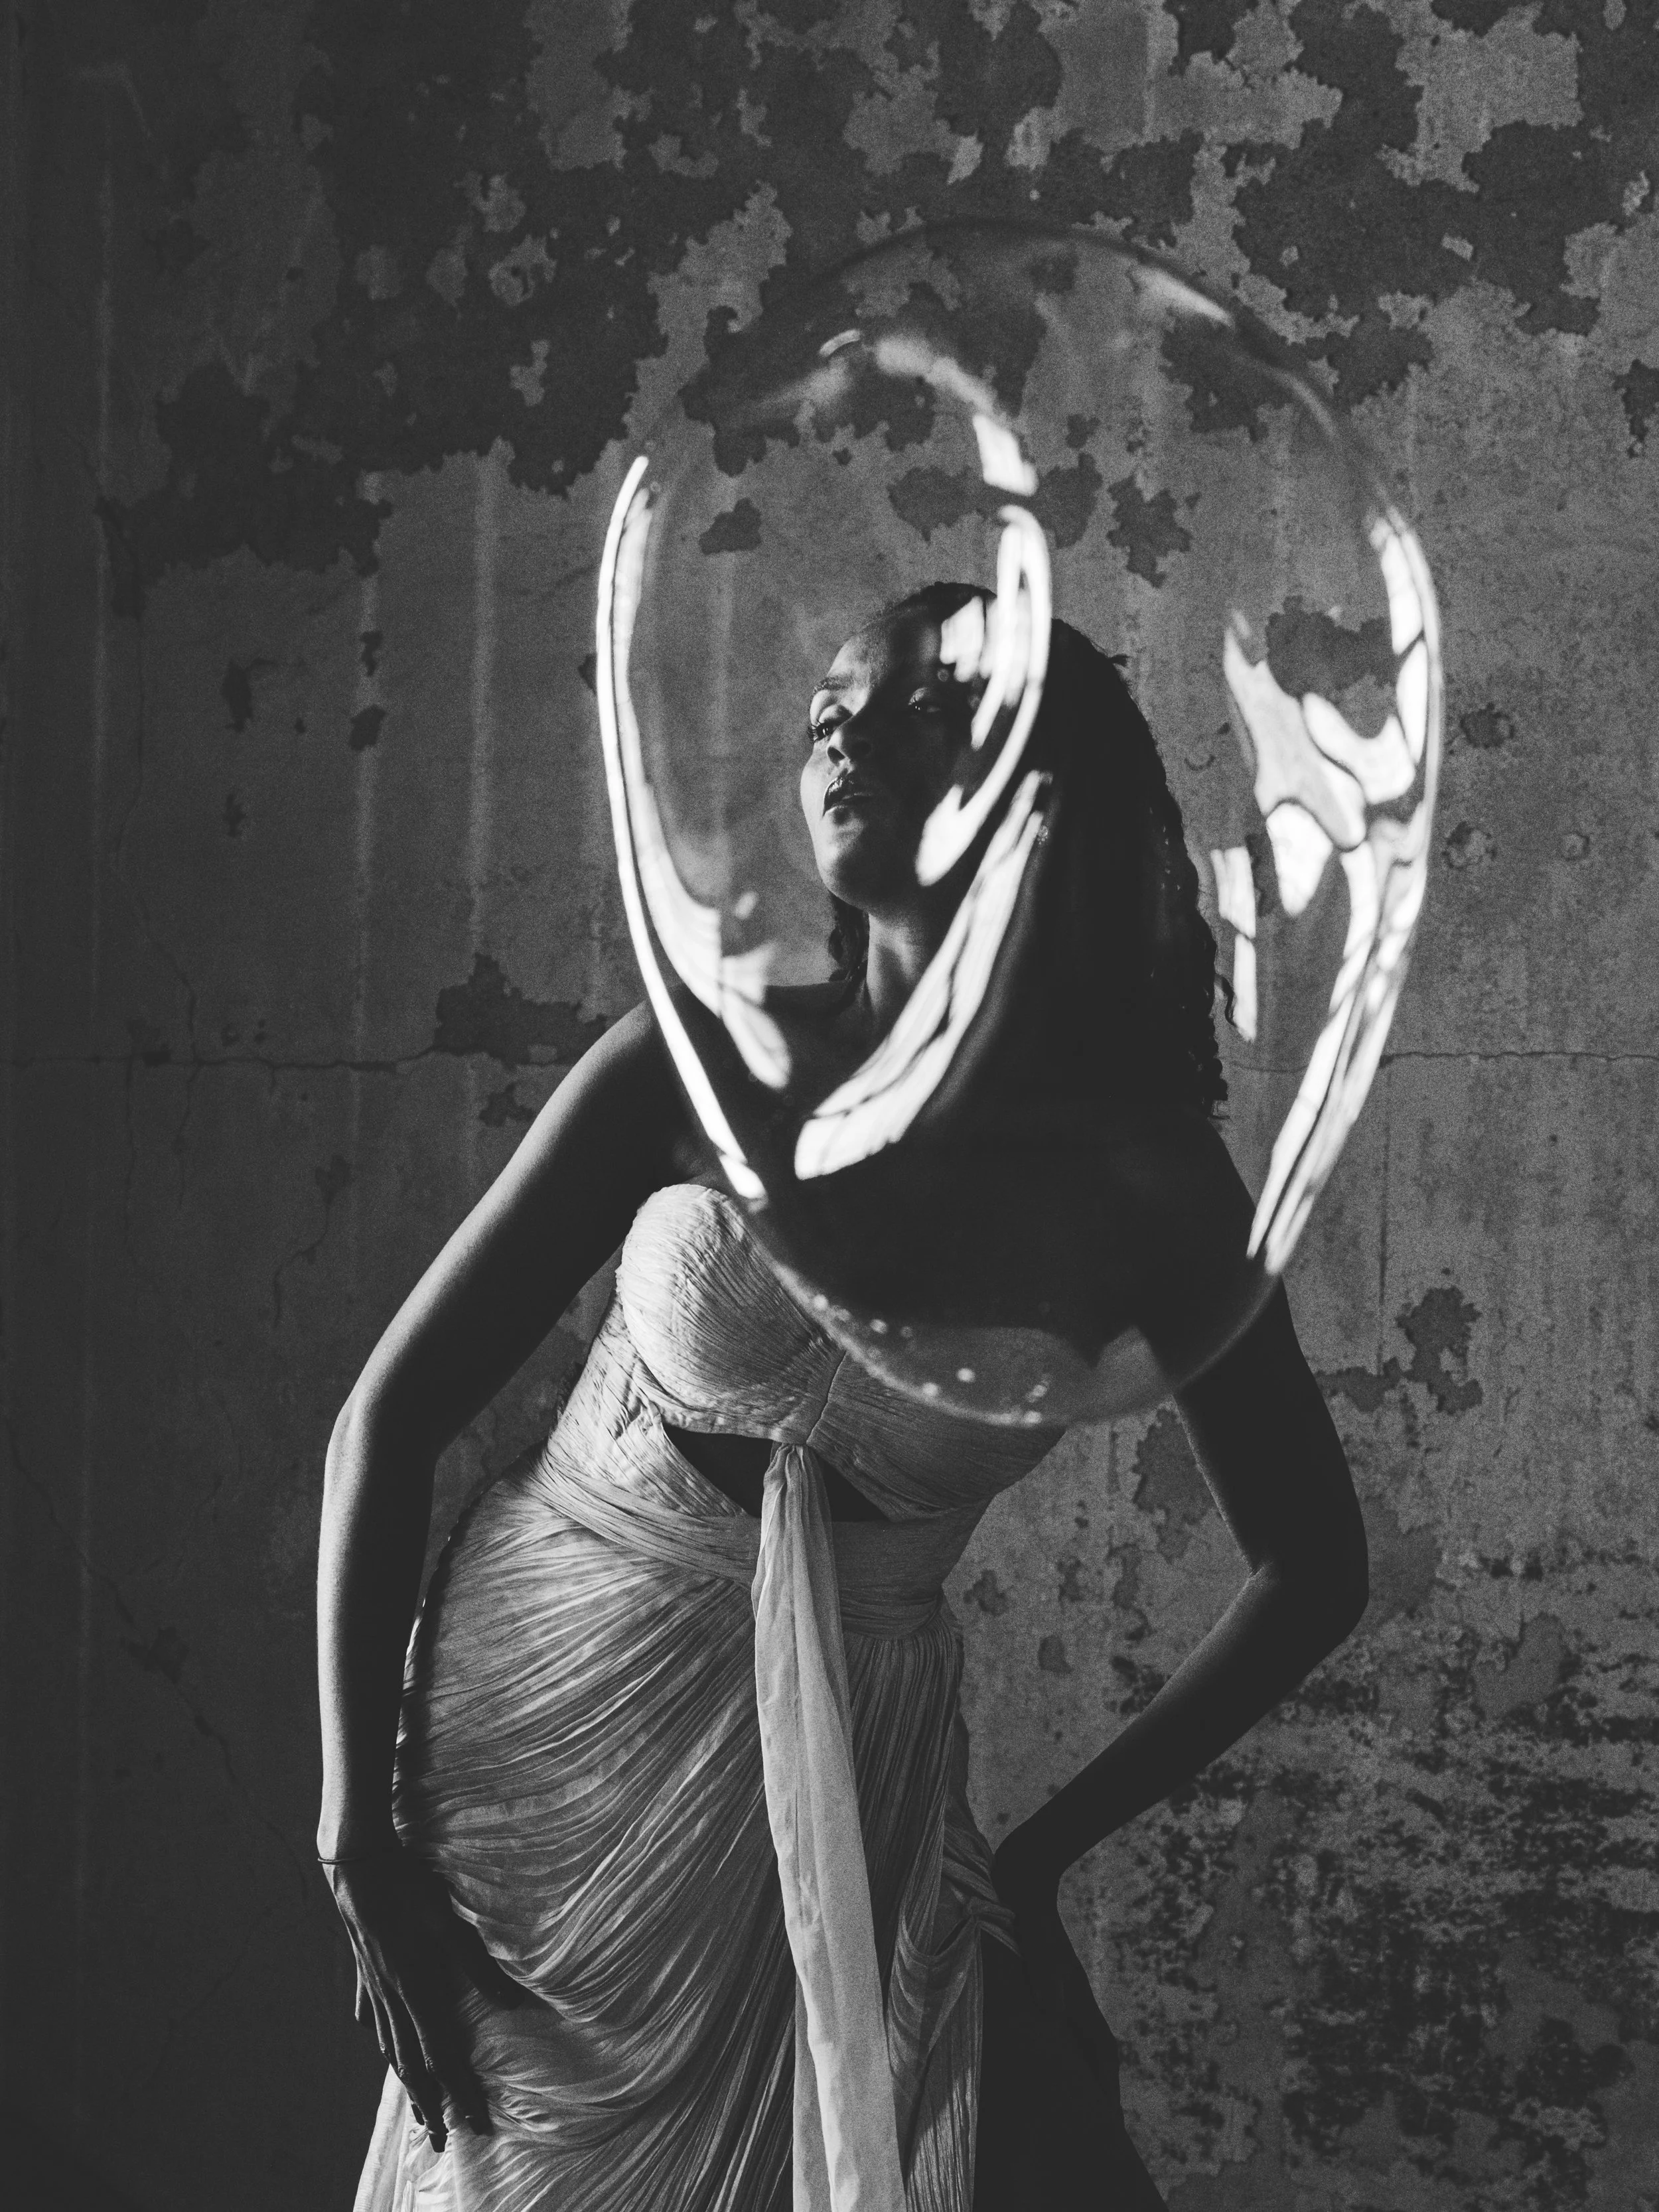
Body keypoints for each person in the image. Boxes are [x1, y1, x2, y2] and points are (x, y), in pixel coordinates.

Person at [317, 586, 1368, 2211]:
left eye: (917, 708)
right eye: (826, 711)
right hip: (550, 1718)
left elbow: (1314, 1559)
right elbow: (390, 1413)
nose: (841, 738)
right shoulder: (687, 1062)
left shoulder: (1144, 1187)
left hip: (862, 1755)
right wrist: (351, 1826)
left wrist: (1037, 1847)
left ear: (1040, 785)